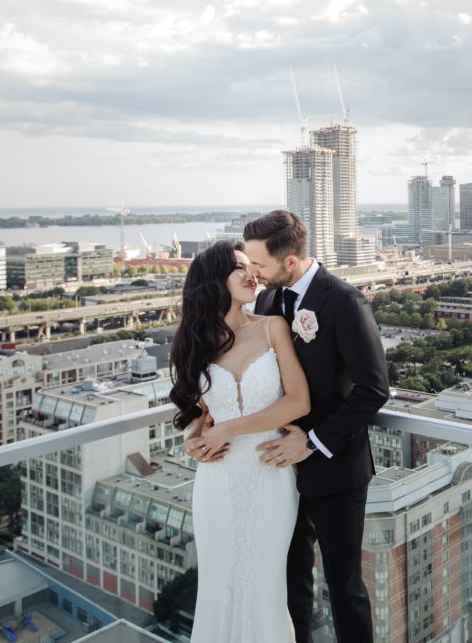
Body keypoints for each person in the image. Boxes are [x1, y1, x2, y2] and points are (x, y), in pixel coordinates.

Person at [243, 210, 390, 643]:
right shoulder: (268, 301)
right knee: (290, 582)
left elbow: (374, 389)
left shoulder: (344, 301)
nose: (254, 274)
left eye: (259, 265)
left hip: (336, 468)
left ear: (289, 261)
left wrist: (313, 442)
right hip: (280, 470)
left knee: (345, 588)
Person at [169, 239, 311, 642]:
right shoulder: (193, 342)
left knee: (263, 585)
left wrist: (229, 429)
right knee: (219, 585)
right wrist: (193, 440)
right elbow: (203, 414)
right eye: (239, 268)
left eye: (253, 266)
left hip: (269, 475)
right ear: (214, 280)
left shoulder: (272, 328)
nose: (252, 274)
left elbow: (298, 402)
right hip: (216, 482)